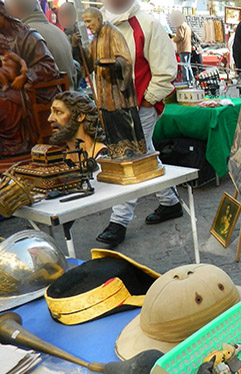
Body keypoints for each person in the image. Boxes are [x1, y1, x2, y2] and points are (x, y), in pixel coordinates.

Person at [94, 0, 181, 246]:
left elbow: (166, 70)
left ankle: (119, 221)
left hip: (137, 105)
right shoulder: (98, 23)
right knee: (146, 154)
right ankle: (171, 202)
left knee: (130, 158)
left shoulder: (148, 24)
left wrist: (146, 101)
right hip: (112, 105)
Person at [82, 7, 145, 160]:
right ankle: (116, 149)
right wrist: (78, 50)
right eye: (85, 23)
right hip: (103, 89)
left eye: (89, 21)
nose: (88, 25)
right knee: (108, 119)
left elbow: (126, 60)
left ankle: (130, 148)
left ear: (99, 19)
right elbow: (88, 65)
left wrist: (115, 64)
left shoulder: (114, 33)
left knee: (121, 117)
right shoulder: (95, 39)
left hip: (117, 88)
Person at [0, 0, 60, 158]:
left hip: (36, 91)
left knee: (3, 101)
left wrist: (26, 76)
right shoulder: (2, 40)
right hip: (14, 89)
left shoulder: (29, 36)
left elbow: (50, 68)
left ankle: (15, 146)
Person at [6, 0, 76, 89]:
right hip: (68, 98)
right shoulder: (59, 32)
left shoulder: (22, 36)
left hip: (46, 100)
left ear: (15, 10)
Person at [48, 90, 106, 160]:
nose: (50, 119)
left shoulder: (101, 157)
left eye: (58, 112)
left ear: (80, 116)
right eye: (51, 112)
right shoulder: (67, 158)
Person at [170, 11, 193, 84]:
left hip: (183, 48)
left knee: (184, 66)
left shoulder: (180, 25)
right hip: (188, 48)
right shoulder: (186, 25)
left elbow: (180, 36)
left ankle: (186, 81)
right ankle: (191, 80)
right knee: (188, 65)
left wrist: (173, 39)